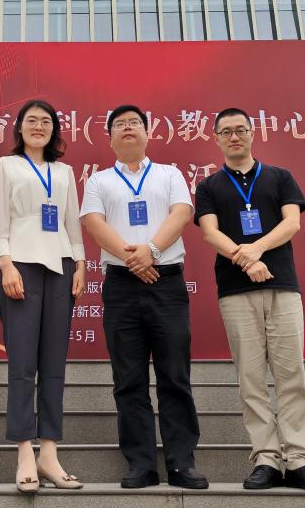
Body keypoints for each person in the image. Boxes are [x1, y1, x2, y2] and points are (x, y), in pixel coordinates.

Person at [194, 107, 305, 493]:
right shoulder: (209, 186)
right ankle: (266, 458)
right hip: (236, 292)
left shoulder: (280, 177)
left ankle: (300, 460)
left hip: (283, 287)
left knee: (292, 377)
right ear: (216, 138)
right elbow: (210, 233)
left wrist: (256, 249)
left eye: (240, 130)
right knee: (251, 379)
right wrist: (246, 259)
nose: (234, 136)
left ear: (252, 133)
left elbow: (292, 222)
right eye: (226, 131)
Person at [79, 104, 208, 490]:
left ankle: (182, 463)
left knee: (174, 375)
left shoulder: (169, 174)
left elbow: (181, 214)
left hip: (166, 283)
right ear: (110, 139)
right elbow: (94, 223)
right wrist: (133, 260)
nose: (128, 128)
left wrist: (150, 251)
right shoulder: (99, 180)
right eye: (119, 124)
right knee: (128, 379)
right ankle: (141, 465)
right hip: (121, 286)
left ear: (148, 133)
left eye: (135, 123)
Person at [0, 99, 86, 493]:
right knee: (23, 364)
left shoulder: (64, 171)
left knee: (54, 364)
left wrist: (81, 264)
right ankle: (25, 452)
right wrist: (6, 265)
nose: (39, 126)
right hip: (21, 265)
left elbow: (71, 221)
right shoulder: (5, 166)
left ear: (54, 129)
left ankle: (49, 453)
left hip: (61, 265)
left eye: (46, 121)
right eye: (32, 120)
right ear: (19, 127)